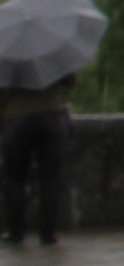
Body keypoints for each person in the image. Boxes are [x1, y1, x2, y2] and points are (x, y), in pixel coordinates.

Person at [1, 72, 73, 248]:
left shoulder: (6, 59)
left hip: (17, 118)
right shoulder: (51, 56)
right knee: (51, 179)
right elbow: (70, 81)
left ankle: (16, 233)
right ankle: (48, 234)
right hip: (52, 116)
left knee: (15, 179)